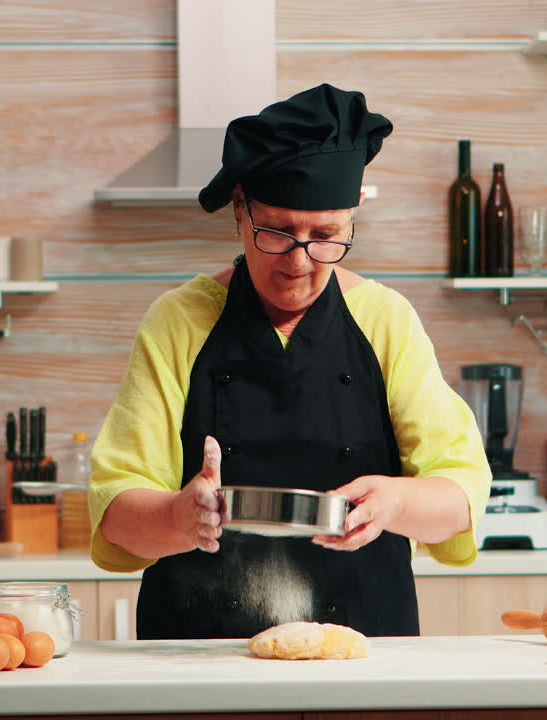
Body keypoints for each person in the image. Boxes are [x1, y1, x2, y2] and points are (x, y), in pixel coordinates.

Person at [89, 83, 490, 640]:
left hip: (363, 656)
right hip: (196, 662)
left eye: (326, 236)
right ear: (239, 209)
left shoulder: (385, 320)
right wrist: (178, 518)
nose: (301, 261)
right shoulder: (178, 323)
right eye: (277, 232)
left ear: (351, 223)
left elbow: (461, 495)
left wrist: (396, 501)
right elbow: (114, 510)